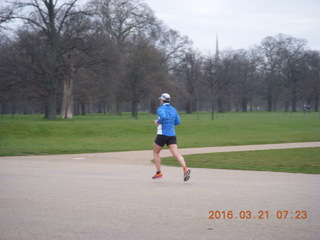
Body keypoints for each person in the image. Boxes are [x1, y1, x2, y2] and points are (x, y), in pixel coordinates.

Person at [152, 93, 191, 181]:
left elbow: (163, 117)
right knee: (176, 154)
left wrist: (158, 122)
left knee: (156, 152)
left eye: (160, 100)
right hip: (172, 135)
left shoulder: (160, 108)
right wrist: (170, 123)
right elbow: (177, 122)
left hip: (162, 134)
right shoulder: (173, 109)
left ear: (162, 100)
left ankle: (158, 173)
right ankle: (185, 168)